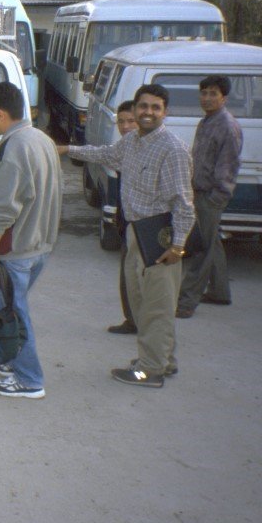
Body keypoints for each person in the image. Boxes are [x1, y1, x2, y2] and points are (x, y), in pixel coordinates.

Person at [58, 84, 193, 389]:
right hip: (135, 230)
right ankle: (162, 360)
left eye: (155, 107)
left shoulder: (172, 149)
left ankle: (150, 371)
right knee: (143, 302)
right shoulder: (132, 142)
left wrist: (178, 245)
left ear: (165, 112)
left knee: (156, 306)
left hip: (159, 236)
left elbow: (184, 203)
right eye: (143, 107)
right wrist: (66, 149)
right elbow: (104, 153)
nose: (148, 112)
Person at [0, 81, 62, 400]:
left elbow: (2, 209)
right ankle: (12, 364)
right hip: (39, 244)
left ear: (1, 113)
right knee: (11, 310)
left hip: (16, 250)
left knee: (13, 315)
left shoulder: (14, 149)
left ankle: (30, 380)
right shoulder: (41, 139)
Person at [176, 75, 244, 318]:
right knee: (211, 241)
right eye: (204, 93)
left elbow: (229, 165)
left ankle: (186, 301)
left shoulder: (227, 125)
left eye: (213, 93)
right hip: (199, 191)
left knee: (202, 249)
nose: (207, 98)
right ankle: (220, 292)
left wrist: (217, 197)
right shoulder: (207, 121)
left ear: (224, 97)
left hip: (211, 196)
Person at [106, 100, 139, 335]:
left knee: (137, 277)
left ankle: (141, 323)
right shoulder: (124, 146)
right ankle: (132, 319)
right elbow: (100, 154)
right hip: (126, 218)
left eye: (131, 121)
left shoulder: (146, 148)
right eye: (121, 121)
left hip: (143, 224)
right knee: (127, 275)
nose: (125, 126)